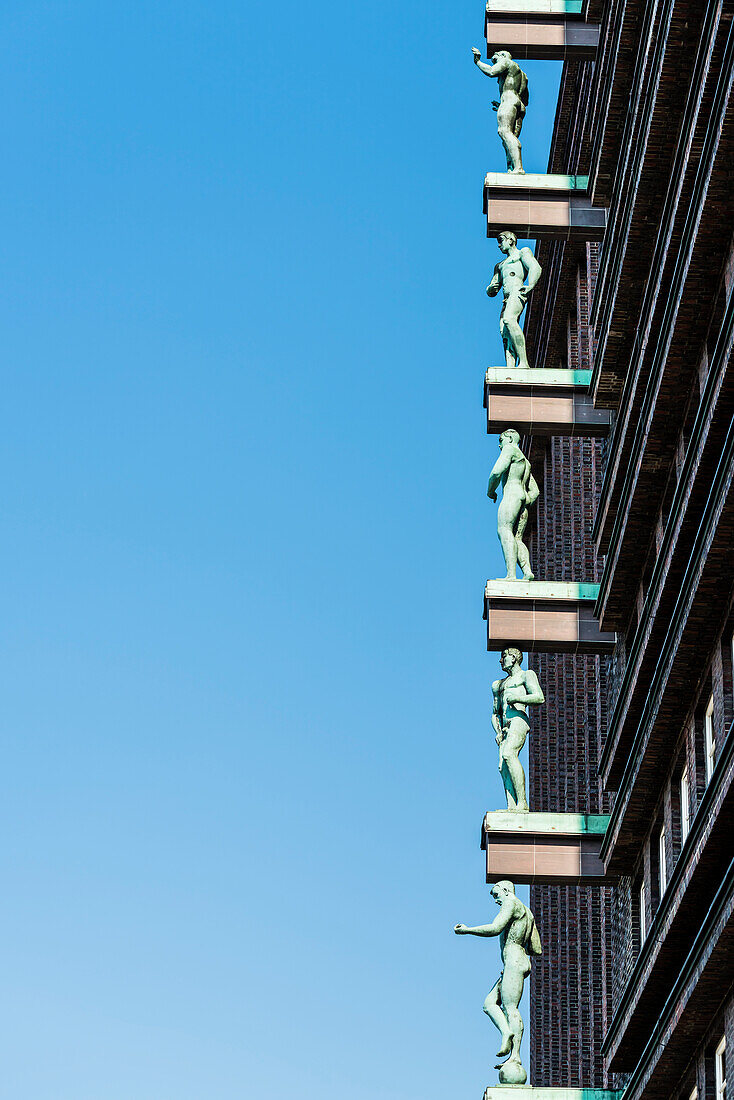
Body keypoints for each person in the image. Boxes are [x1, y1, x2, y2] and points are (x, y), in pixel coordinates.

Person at [454, 881, 541, 1082]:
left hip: (513, 960)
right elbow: (536, 948)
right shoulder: (527, 912)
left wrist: (467, 930)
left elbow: (495, 928)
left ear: (505, 890)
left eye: (496, 895)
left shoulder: (510, 903)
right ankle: (507, 1033)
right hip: (516, 961)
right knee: (489, 1004)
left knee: (510, 1008)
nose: (496, 900)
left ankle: (515, 1054)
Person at [492, 648, 545, 811]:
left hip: (518, 720)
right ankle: (512, 806)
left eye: (503, 657)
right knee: (502, 767)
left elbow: (539, 697)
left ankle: (522, 802)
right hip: (505, 727)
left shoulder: (526, 675)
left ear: (514, 658)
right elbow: (495, 713)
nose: (501, 661)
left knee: (509, 754)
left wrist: (518, 698)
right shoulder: (498, 685)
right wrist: (498, 731)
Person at [486, 429, 539, 581]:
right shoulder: (525, 462)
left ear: (509, 438)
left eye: (500, 440)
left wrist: (490, 491)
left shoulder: (510, 449)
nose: (499, 445)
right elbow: (535, 491)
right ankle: (527, 571)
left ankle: (511, 575)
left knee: (504, 530)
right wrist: (525, 501)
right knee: (517, 538)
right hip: (522, 498)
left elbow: (496, 472)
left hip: (511, 496)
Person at [486, 232, 542, 370]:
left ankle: (524, 363)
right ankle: (510, 367)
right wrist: (490, 289)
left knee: (509, 320)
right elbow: (492, 289)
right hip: (506, 299)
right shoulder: (500, 265)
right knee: (504, 331)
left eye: (501, 241)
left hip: (518, 291)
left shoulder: (522, 253)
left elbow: (535, 267)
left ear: (510, 240)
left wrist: (531, 285)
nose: (499, 245)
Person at [472, 47, 528, 174]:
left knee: (504, 132)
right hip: (518, 104)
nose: (494, 57)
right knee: (509, 137)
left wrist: (478, 62)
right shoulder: (522, 74)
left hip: (509, 100)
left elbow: (491, 72)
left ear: (501, 55)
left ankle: (518, 168)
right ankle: (512, 167)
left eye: (495, 56)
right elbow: (525, 98)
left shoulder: (506, 61)